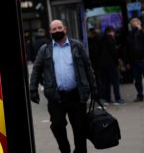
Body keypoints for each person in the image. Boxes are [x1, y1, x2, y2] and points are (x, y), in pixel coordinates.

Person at [30, 20, 98, 153]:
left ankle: (80, 151)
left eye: (59, 28)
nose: (57, 31)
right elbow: (36, 69)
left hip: (77, 95)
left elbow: (88, 68)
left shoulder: (77, 46)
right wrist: (33, 89)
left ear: (65, 29)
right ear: (50, 32)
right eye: (54, 29)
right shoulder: (45, 49)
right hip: (56, 97)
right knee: (57, 126)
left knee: (80, 128)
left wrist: (94, 88)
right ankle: (65, 150)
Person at [125, 18, 144, 102]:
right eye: (132, 24)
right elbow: (127, 49)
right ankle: (140, 95)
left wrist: (140, 29)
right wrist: (127, 62)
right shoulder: (130, 35)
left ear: (139, 24)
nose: (134, 26)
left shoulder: (142, 33)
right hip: (135, 61)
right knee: (137, 81)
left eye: (135, 24)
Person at [100, 26, 126, 105]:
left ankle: (107, 99)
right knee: (115, 81)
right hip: (111, 63)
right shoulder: (110, 38)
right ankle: (117, 99)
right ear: (111, 31)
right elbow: (113, 51)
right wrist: (117, 61)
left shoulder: (101, 39)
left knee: (106, 82)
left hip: (103, 64)